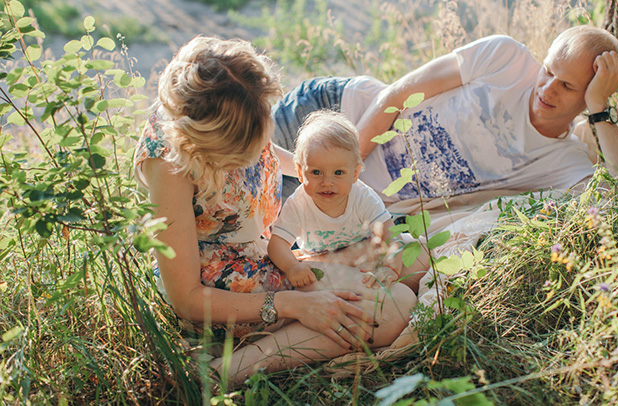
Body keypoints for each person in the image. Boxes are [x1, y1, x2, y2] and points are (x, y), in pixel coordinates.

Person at [133, 36, 416, 384]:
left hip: (267, 254)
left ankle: (308, 318)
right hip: (227, 289)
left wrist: (321, 174)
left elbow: (271, 157)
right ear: (211, 144)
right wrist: (290, 304)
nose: (257, 153)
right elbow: (187, 298)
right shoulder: (170, 163)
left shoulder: (237, 94)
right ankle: (223, 372)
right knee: (395, 306)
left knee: (411, 258)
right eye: (243, 152)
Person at [271, 25, 618, 203]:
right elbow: (397, 94)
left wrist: (599, 110)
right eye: (548, 71)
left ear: (587, 98)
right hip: (333, 114)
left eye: (568, 86)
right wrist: (348, 180)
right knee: (219, 165)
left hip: (338, 191)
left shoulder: (562, 161)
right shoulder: (505, 57)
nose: (546, 89)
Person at [268, 110, 428, 291]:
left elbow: (389, 234)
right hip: (325, 270)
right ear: (299, 172)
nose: (327, 182)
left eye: (338, 173)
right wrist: (293, 267)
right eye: (316, 172)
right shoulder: (298, 204)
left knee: (420, 253)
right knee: (308, 284)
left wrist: (389, 267)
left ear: (355, 173)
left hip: (367, 259)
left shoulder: (362, 196)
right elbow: (277, 244)